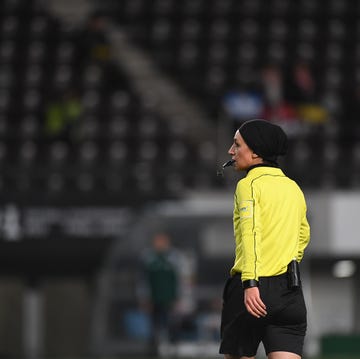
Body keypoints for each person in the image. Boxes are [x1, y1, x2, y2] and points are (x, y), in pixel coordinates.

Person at [219, 119, 311, 359]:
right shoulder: (293, 188)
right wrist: (286, 259)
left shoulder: (247, 185)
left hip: (252, 291)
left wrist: (250, 283)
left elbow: (250, 234)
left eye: (237, 145)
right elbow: (303, 235)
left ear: (256, 151)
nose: (231, 151)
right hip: (290, 292)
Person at [141, 232, 180, 352]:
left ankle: (173, 348)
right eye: (158, 242)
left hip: (170, 298)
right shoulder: (148, 258)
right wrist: (144, 297)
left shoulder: (174, 258)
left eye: (163, 242)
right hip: (154, 299)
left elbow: (179, 279)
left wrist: (178, 297)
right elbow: (143, 280)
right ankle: (153, 349)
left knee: (172, 323)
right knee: (154, 325)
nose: (160, 244)